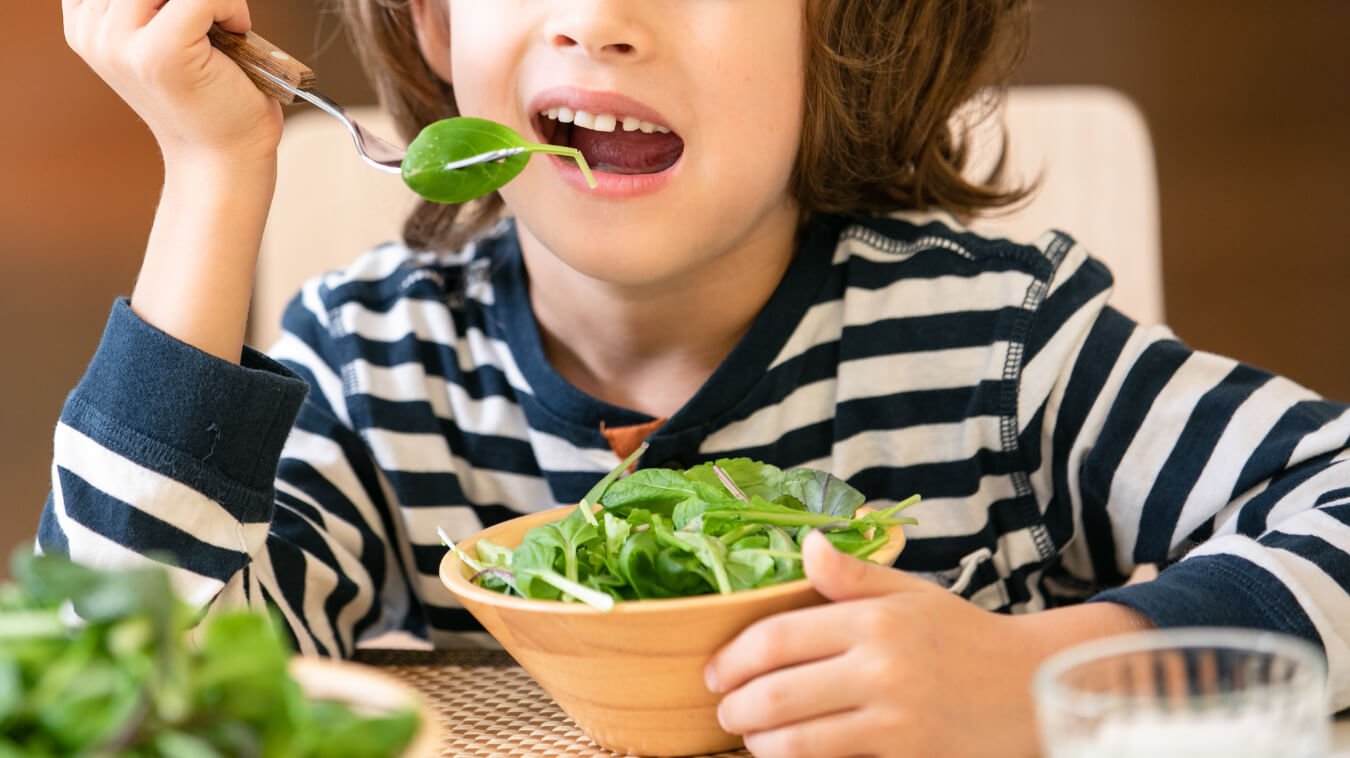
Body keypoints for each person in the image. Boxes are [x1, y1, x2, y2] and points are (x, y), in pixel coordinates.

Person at [49, 0, 1349, 755]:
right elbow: (110, 667)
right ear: (438, 20)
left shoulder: (998, 342)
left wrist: (1035, 681)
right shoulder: (380, 367)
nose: (598, 20)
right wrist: (211, 170)